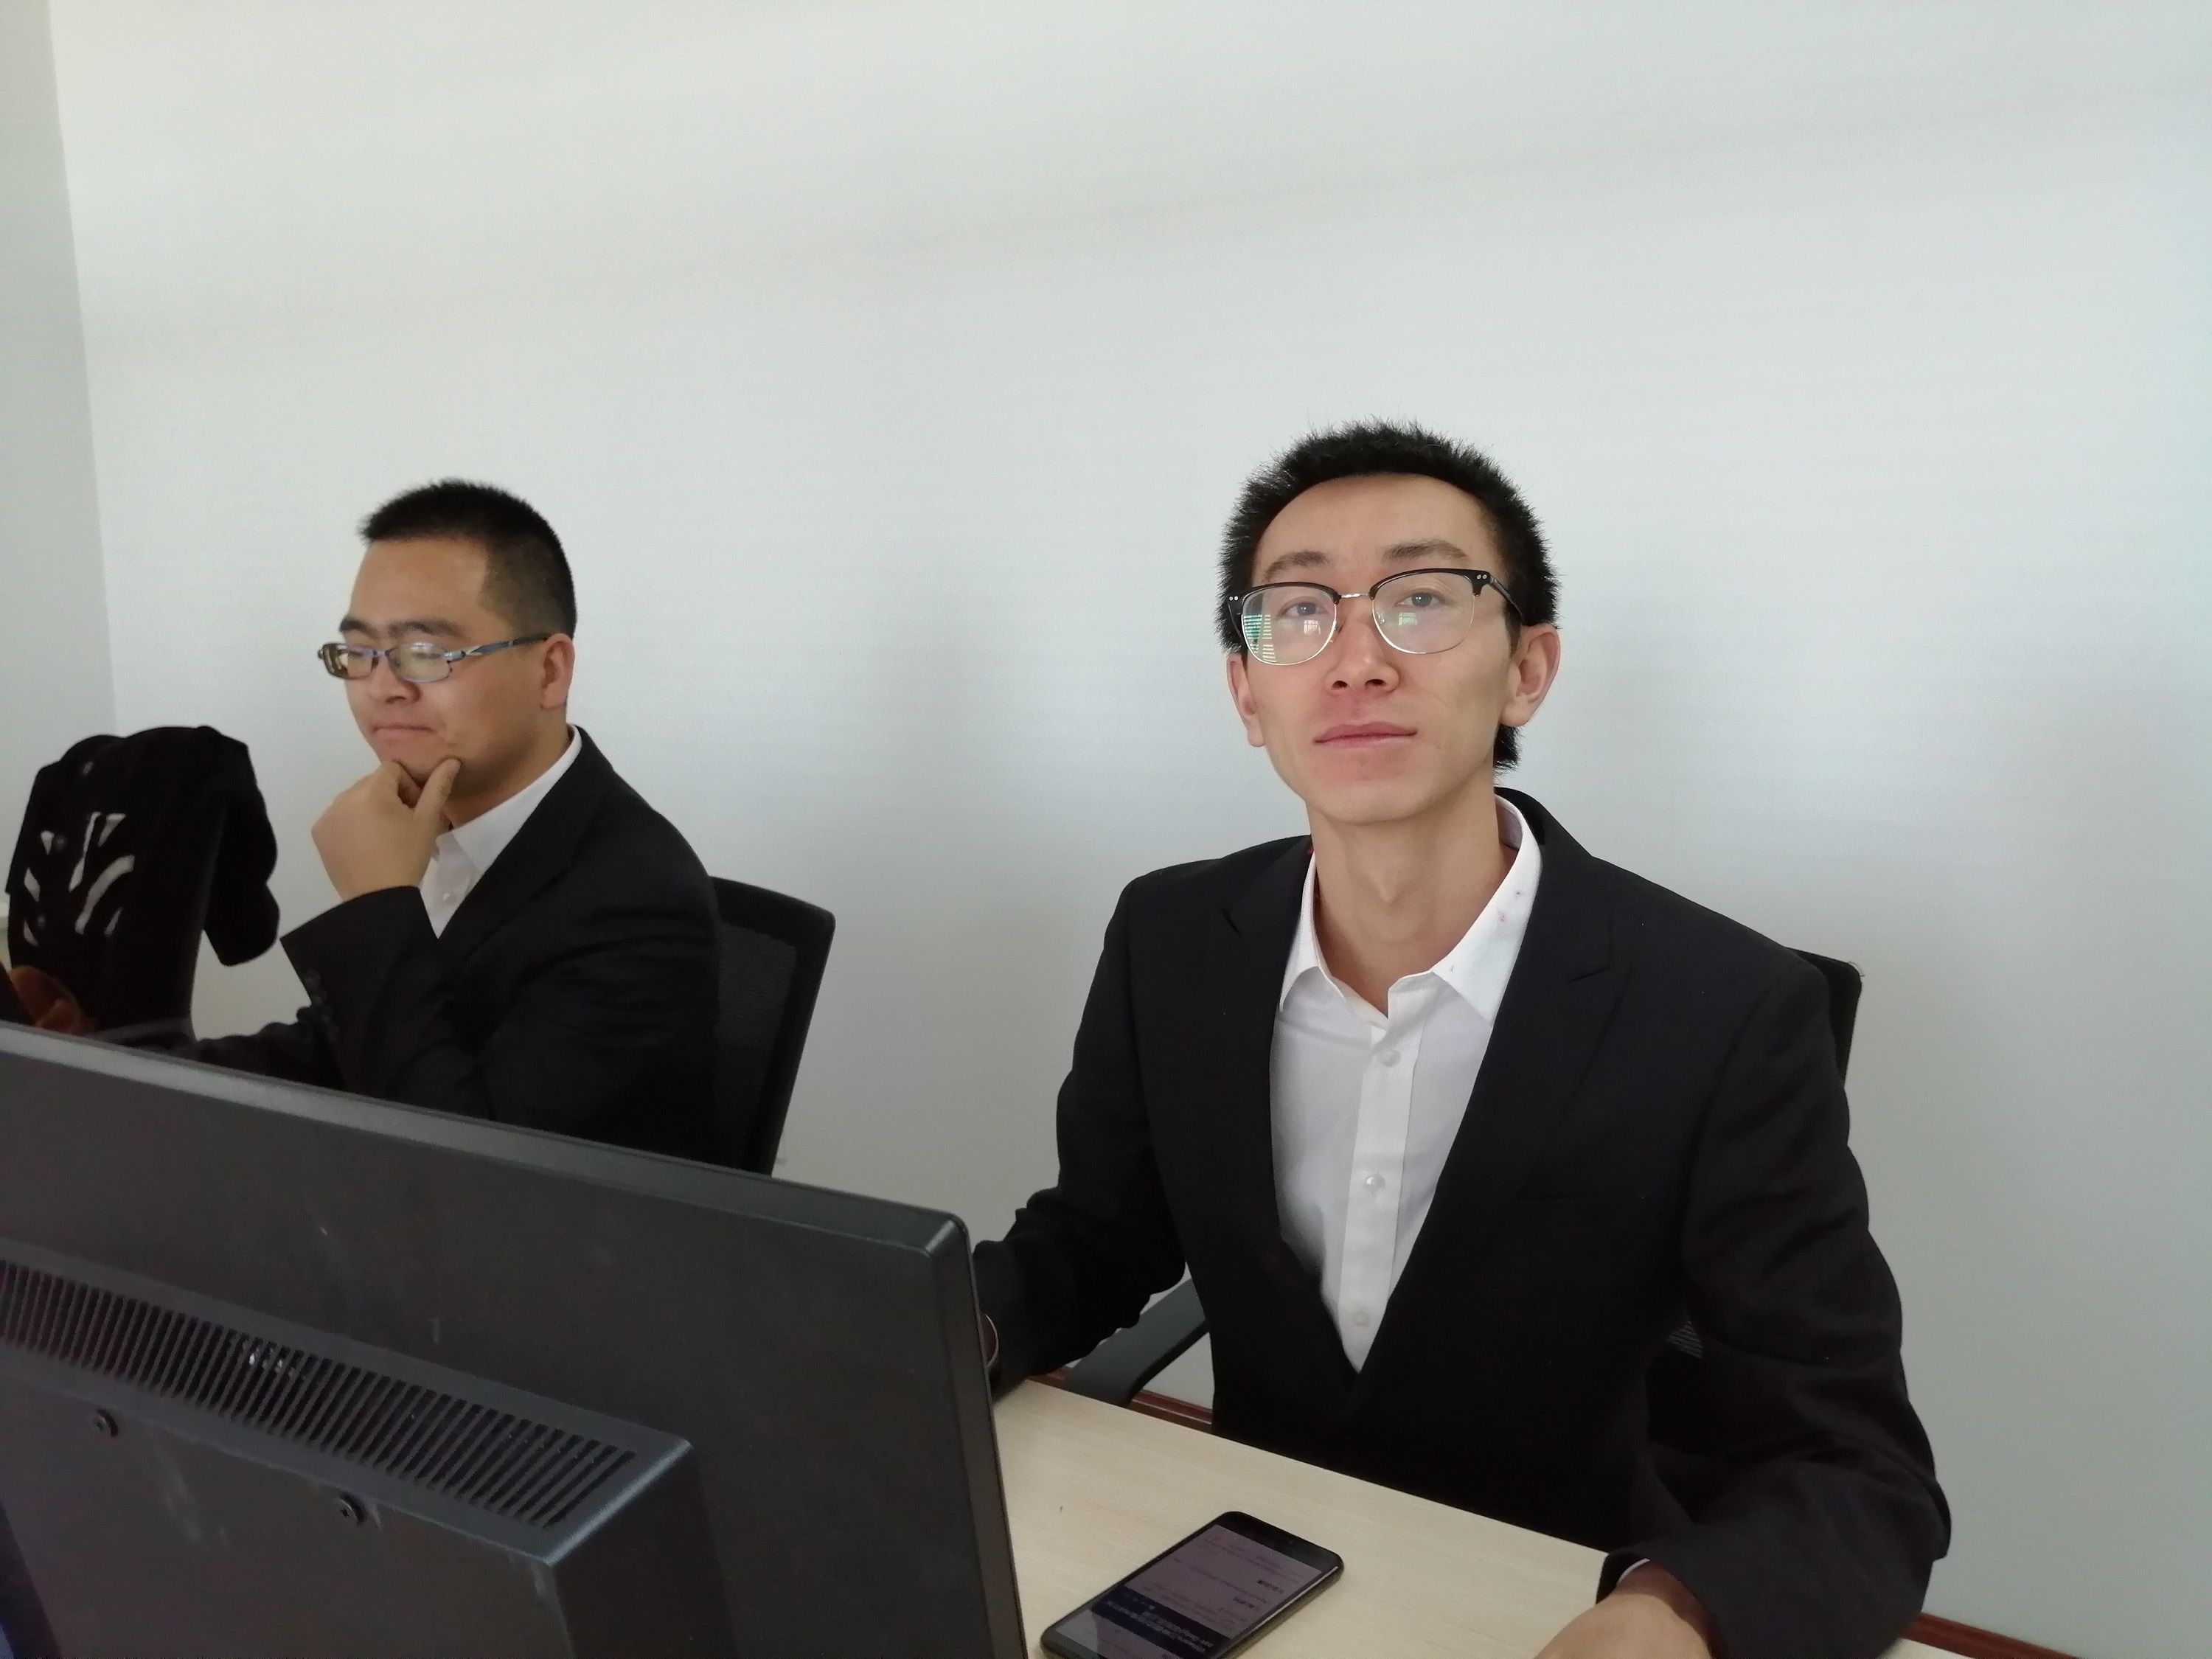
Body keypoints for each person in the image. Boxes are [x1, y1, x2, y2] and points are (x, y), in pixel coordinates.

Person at [973, 423, 1947, 1659]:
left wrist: (1673, 1616)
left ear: (1528, 668)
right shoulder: (1173, 938)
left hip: (1553, 1593)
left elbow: (1855, 1465)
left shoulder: (1723, 1009)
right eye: (1299, 612)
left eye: (1422, 600)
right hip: (1249, 1559)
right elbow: (1095, 1238)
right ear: (1248, 693)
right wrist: (922, 1340)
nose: (1357, 660)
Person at [194, 481, 718, 1158]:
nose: (382, 688)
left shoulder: (638, 905)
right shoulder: (445, 830)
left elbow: (465, 1169)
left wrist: (375, 906)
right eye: (359, 653)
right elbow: (339, 1053)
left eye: (425, 654)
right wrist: (136, 1072)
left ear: (550, 672)